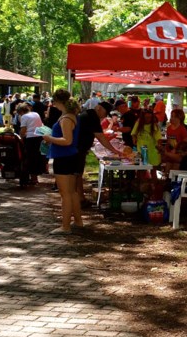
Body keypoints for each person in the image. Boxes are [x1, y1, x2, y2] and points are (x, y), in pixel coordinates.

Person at [42, 89, 82, 234]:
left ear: (58, 101)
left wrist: (49, 138)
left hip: (64, 157)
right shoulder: (72, 116)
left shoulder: (66, 118)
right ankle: (78, 221)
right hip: (70, 157)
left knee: (65, 194)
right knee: (72, 192)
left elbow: (67, 140)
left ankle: (65, 226)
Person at [76, 100, 120, 207]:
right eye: (105, 114)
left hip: (79, 148)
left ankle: (80, 198)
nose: (104, 117)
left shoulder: (89, 114)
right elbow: (100, 137)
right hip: (78, 149)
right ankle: (79, 200)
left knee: (77, 174)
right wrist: (115, 151)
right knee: (77, 174)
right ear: (100, 108)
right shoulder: (92, 117)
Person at [17, 103, 45, 187]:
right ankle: (35, 177)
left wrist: (21, 137)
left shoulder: (24, 117)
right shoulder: (36, 114)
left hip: (30, 138)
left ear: (21, 111)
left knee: (29, 158)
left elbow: (23, 130)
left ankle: (31, 178)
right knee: (36, 157)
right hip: (39, 137)